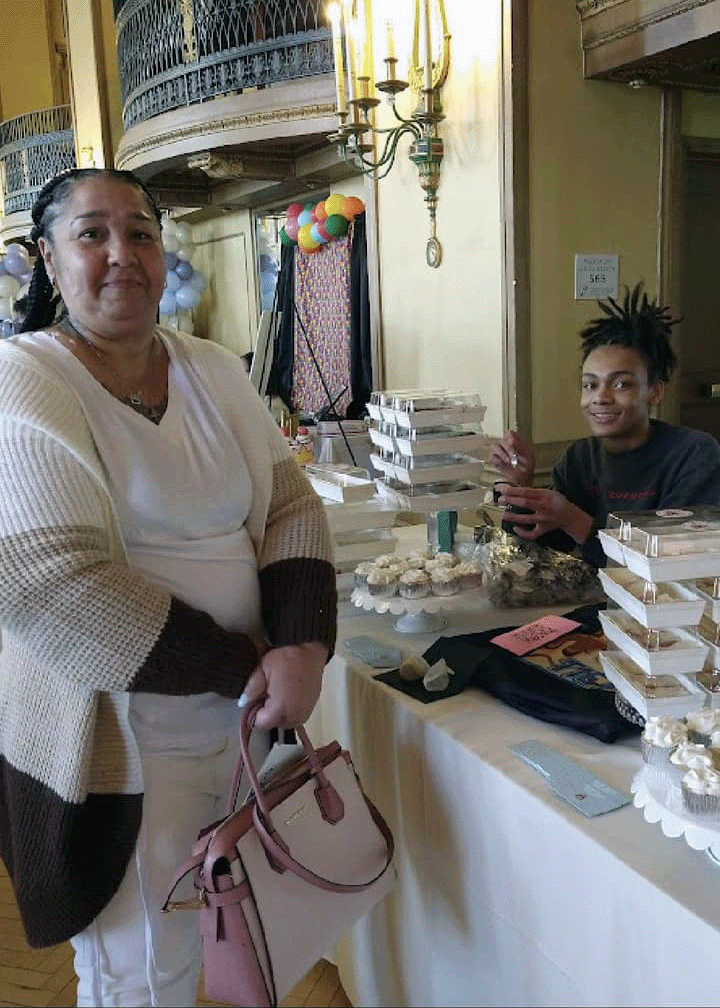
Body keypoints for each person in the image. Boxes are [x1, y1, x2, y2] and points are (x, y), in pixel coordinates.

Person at [0, 167, 337, 1006]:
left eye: (141, 232)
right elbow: (47, 583)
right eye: (92, 234)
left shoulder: (214, 368)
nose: (123, 254)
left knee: (210, 930)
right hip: (121, 744)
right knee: (136, 968)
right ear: (47, 259)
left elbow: (292, 501)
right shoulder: (25, 381)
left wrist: (301, 643)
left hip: (241, 728)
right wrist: (245, 665)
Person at [490, 283, 720, 567]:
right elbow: (544, 550)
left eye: (620, 384)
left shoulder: (693, 455)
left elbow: (668, 564)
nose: (600, 397)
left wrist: (573, 518)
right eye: (590, 384)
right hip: (588, 600)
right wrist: (522, 486)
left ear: (655, 391)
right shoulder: (578, 459)